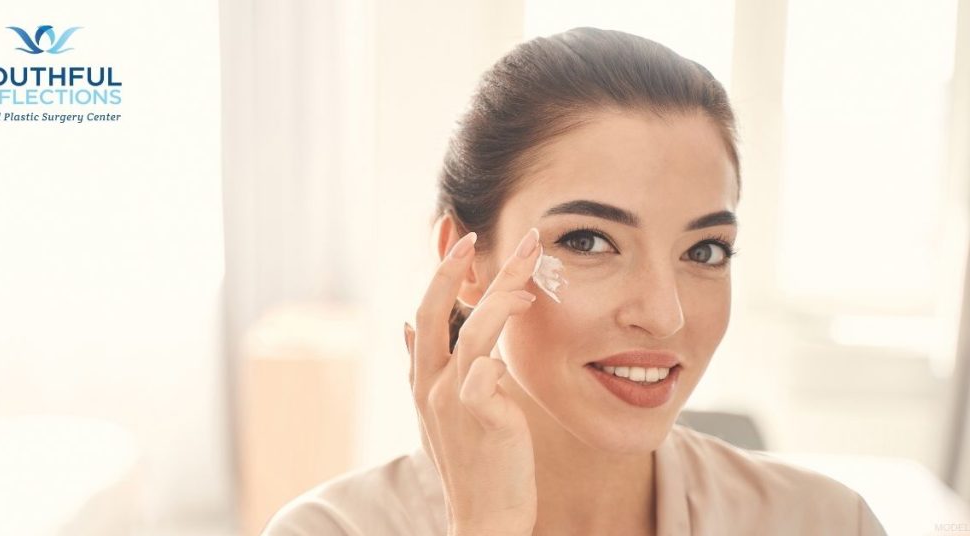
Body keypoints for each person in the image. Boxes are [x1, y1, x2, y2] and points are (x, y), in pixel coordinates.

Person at [261, 26, 888, 536]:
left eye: (705, 250)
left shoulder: (825, 522)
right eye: (588, 242)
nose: (663, 315)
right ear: (467, 260)